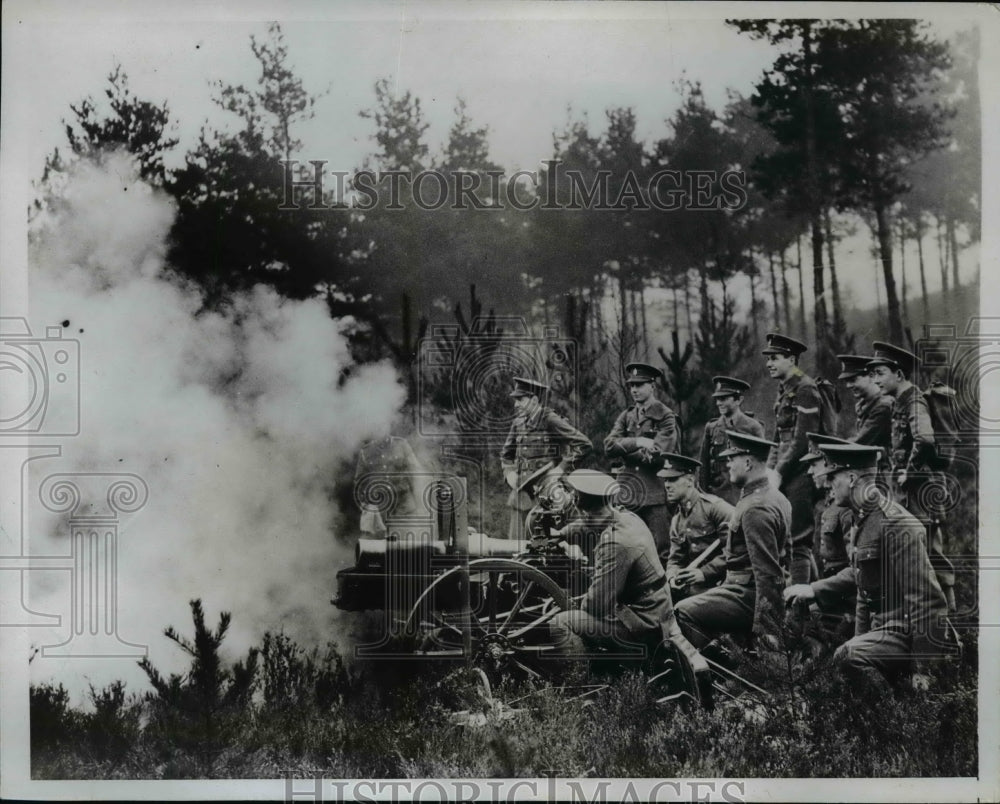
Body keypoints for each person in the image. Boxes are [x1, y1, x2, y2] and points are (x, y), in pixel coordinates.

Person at [784, 444, 954, 692]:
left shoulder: (897, 524)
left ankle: (892, 719)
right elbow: (865, 590)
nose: (828, 483)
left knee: (847, 656)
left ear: (852, 478)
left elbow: (928, 601)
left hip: (907, 632)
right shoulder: (861, 519)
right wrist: (858, 639)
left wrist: (923, 669)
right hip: (884, 632)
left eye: (833, 476)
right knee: (842, 663)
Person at [674, 432, 791, 651]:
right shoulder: (776, 498)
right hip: (745, 590)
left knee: (683, 611)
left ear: (747, 463)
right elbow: (786, 557)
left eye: (731, 459)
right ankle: (728, 654)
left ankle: (709, 676)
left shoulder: (756, 507)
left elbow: (767, 572)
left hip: (747, 594)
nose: (727, 465)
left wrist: (767, 629)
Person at [548, 469, 677, 657]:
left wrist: (573, 599)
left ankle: (580, 681)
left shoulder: (615, 544)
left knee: (561, 622)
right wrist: (561, 534)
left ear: (578, 505)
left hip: (644, 627)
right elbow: (587, 523)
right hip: (657, 612)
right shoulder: (628, 518)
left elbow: (595, 607)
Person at [867, 342, 956, 611]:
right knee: (922, 549)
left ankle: (947, 618)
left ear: (899, 374)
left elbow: (925, 438)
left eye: (880, 373)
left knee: (930, 550)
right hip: (914, 489)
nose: (875, 380)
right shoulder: (900, 402)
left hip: (922, 487)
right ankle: (933, 613)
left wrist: (911, 470)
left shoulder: (913, 400)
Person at [762, 332, 824, 584]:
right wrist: (769, 468)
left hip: (801, 472)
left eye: (775, 358)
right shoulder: (784, 387)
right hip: (786, 471)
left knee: (799, 540)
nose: (769, 363)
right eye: (768, 358)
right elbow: (779, 435)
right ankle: (816, 603)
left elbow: (802, 440)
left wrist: (779, 471)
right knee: (791, 540)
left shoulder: (806, 388)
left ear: (791, 359)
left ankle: (799, 610)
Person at [500, 377, 592, 539]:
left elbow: (584, 444)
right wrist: (509, 474)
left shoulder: (550, 419)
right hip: (521, 493)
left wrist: (561, 469)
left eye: (520, 399)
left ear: (534, 400)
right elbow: (506, 455)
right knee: (517, 543)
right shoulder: (518, 423)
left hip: (546, 493)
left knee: (545, 545)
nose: (516, 405)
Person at [603, 362, 678, 551]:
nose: (634, 390)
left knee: (661, 547)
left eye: (640, 385)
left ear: (652, 386)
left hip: (654, 494)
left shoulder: (665, 416)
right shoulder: (626, 416)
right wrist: (639, 442)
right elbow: (609, 446)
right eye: (632, 385)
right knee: (626, 546)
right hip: (627, 494)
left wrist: (626, 451)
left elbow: (658, 456)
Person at [659, 453, 733, 601]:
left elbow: (738, 550)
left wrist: (705, 573)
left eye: (673, 479)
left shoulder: (715, 509)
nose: (667, 485)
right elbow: (675, 560)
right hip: (695, 588)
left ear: (690, 480)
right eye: (666, 480)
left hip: (723, 584)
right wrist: (672, 577)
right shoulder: (677, 520)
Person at [698, 376, 765, 505]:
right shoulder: (712, 428)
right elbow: (703, 466)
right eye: (717, 399)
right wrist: (704, 495)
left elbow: (761, 463)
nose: (718, 403)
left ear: (738, 400)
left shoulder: (753, 427)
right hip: (717, 496)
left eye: (723, 399)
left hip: (745, 495)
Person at [836, 354, 893, 461]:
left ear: (871, 376)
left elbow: (860, 442)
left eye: (853, 380)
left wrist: (829, 447)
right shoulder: (864, 404)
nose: (848, 385)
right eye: (846, 381)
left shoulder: (882, 406)